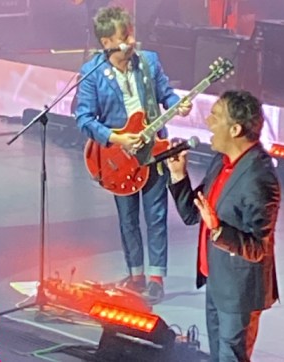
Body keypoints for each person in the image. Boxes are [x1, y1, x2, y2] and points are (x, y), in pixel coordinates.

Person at [73, 6, 191, 303]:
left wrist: (179, 103)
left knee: (156, 215)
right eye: (124, 36)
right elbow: (84, 118)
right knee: (127, 219)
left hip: (154, 150)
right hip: (117, 156)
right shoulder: (91, 73)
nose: (131, 40)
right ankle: (136, 274)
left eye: (131, 33)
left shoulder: (149, 62)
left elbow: (167, 94)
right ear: (106, 42)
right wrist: (116, 138)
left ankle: (156, 278)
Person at [166, 90, 280, 361]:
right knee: (218, 355)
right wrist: (179, 176)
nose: (207, 122)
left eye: (215, 116)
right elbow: (194, 215)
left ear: (236, 129)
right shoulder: (221, 162)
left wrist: (218, 230)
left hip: (239, 292)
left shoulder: (260, 179)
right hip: (216, 279)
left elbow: (257, 247)